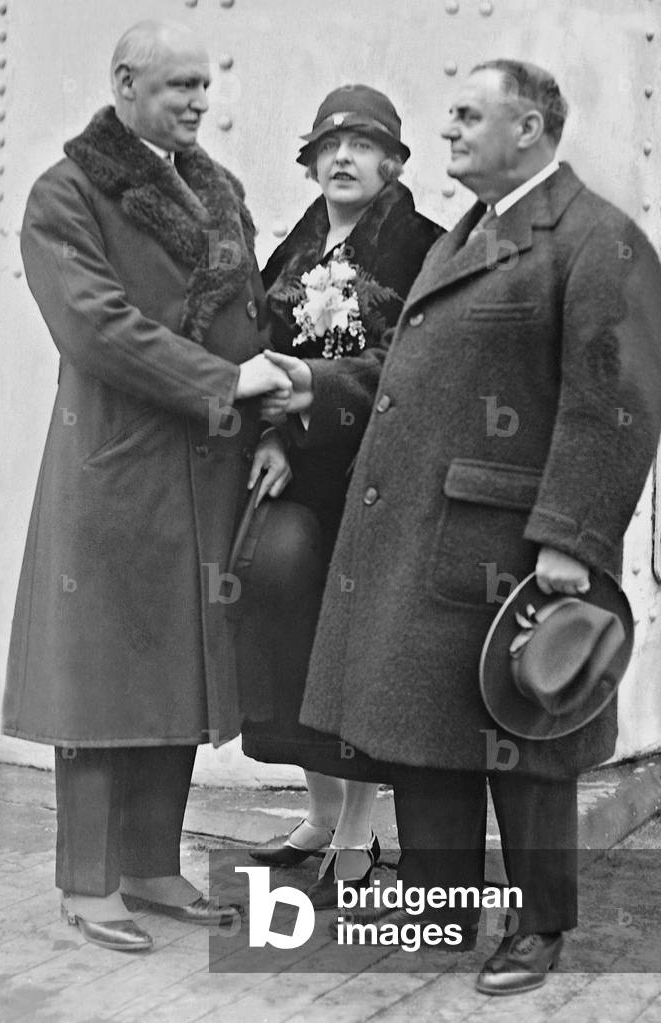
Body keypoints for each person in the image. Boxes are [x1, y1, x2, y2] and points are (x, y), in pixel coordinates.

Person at [296, 60, 661, 992]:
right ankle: (440, 909)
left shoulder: (596, 240)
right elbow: (407, 375)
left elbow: (613, 405)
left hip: (519, 546)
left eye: (469, 115)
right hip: (428, 538)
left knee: (529, 738)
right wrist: (313, 381)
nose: (449, 129)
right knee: (427, 734)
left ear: (532, 128)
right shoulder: (467, 231)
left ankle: (540, 928)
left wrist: (571, 541)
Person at [1, 19, 292, 953]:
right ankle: (89, 882)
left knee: (175, 667)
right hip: (114, 468)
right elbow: (95, 325)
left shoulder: (216, 192)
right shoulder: (66, 194)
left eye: (205, 87)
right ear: (125, 83)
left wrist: (278, 407)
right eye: (180, 88)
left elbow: (246, 316)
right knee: (97, 676)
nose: (200, 103)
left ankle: (152, 865)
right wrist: (220, 382)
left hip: (201, 467)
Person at [240, 85, 443, 907]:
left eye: (363, 145)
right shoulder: (297, 246)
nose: (344, 158)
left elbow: (416, 364)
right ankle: (320, 812)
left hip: (379, 479)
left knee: (359, 649)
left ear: (394, 162)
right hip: (300, 472)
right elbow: (256, 347)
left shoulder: (423, 245)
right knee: (284, 617)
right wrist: (270, 435)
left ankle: (361, 831)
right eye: (329, 146)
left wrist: (316, 397)